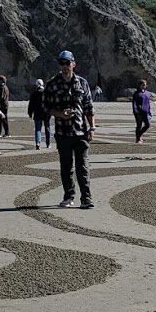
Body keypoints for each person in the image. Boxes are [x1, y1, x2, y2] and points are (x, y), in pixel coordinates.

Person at [44, 50, 95, 208]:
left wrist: (92, 127)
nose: (65, 66)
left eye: (67, 63)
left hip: (80, 132)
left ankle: (86, 198)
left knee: (83, 167)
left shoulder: (82, 83)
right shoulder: (52, 84)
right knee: (66, 167)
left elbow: (89, 106)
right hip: (62, 132)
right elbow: (46, 107)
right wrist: (60, 113)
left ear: (73, 64)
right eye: (62, 63)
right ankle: (69, 196)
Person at [27, 78, 50, 149]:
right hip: (46, 113)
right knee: (47, 128)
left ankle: (38, 142)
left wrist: (30, 113)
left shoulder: (34, 93)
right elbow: (49, 102)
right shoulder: (46, 93)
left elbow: (31, 105)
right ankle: (48, 144)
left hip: (37, 113)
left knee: (38, 129)